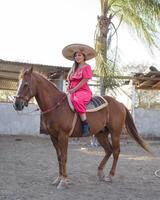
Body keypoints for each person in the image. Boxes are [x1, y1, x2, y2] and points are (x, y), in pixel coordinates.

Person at [62, 43, 96, 136]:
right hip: (72, 90)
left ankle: (85, 124)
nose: (77, 57)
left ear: (84, 57)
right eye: (76, 55)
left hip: (83, 91)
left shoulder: (86, 67)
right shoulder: (73, 68)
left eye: (79, 55)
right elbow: (69, 80)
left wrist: (74, 89)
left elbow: (84, 80)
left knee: (76, 100)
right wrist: (68, 87)